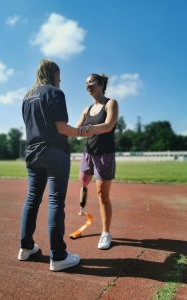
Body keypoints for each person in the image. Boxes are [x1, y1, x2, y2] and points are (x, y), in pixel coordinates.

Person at [18, 59, 93, 271]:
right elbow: (60, 127)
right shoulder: (54, 92)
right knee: (55, 203)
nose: (61, 79)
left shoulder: (26, 97)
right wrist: (82, 131)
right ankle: (58, 256)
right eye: (59, 75)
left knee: (32, 200)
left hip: (32, 154)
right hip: (54, 153)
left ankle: (26, 248)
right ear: (52, 73)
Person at [76, 73, 118, 250]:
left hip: (104, 155)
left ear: (101, 84)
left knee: (102, 194)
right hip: (88, 153)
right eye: (86, 83)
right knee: (84, 181)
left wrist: (90, 128)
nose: (88, 85)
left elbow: (108, 125)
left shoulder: (111, 103)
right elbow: (77, 129)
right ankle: (83, 200)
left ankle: (106, 233)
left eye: (91, 82)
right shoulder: (86, 109)